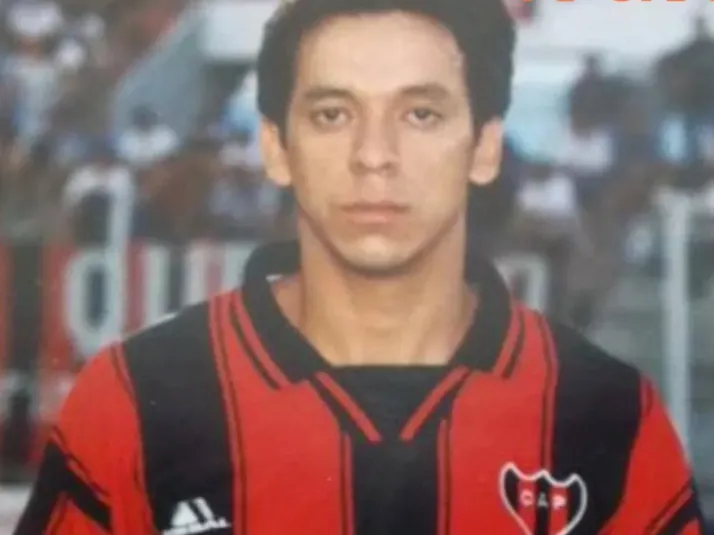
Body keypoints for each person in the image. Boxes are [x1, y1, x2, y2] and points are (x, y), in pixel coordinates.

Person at [14, 0, 706, 533]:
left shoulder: (608, 415)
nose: (375, 154)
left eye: (421, 114)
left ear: (485, 148)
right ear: (277, 148)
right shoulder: (135, 400)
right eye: (333, 114)